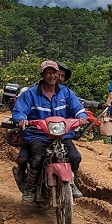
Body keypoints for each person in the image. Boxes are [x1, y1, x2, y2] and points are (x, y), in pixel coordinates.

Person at [11, 60, 91, 203]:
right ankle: (30, 187)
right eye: (48, 73)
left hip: (62, 134)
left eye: (54, 72)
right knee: (37, 158)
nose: (51, 76)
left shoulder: (66, 92)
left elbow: (78, 108)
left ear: (58, 74)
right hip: (38, 135)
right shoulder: (30, 94)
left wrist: (82, 117)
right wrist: (22, 119)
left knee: (75, 157)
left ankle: (72, 183)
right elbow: (19, 111)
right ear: (42, 74)